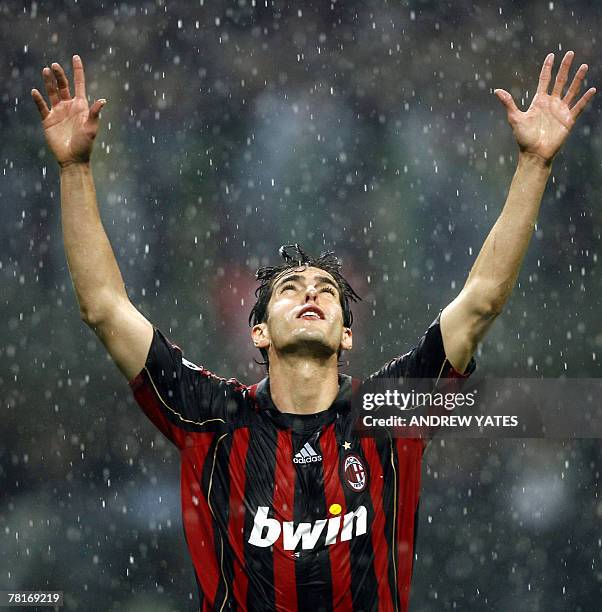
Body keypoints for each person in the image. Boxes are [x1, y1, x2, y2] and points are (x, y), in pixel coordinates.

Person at [32, 52, 595, 611]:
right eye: (291, 289)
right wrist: (75, 170)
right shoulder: (214, 416)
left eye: (328, 291)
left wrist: (534, 164)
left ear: (346, 336)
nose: (311, 294)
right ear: (259, 333)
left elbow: (482, 300)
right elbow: (104, 307)